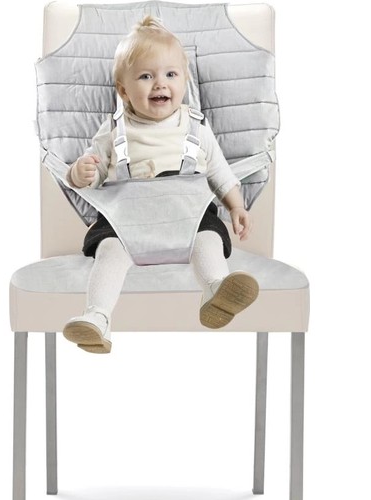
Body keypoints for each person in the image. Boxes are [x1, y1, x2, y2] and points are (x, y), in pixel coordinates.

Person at [63, 16, 259, 353]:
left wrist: (236, 206)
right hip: (127, 222)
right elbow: (93, 172)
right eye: (145, 76)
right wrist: (80, 173)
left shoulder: (195, 126)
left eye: (171, 74)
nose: (159, 84)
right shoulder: (114, 129)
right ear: (123, 90)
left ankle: (216, 289)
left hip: (188, 216)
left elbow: (220, 172)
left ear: (185, 79)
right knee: (109, 252)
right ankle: (97, 316)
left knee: (209, 238)